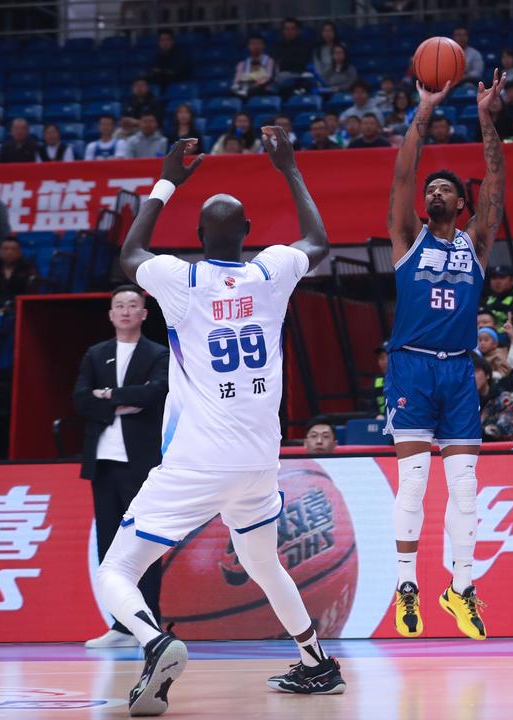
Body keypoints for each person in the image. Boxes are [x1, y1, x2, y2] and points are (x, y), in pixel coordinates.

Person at [103, 132, 342, 709]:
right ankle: (317, 663)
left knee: (116, 571)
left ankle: (156, 642)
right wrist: (289, 168)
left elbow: (129, 255)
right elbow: (318, 240)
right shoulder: (271, 274)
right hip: (259, 462)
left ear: (196, 237)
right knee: (263, 562)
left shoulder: (181, 281)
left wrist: (167, 180)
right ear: (249, 232)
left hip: (198, 461)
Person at [384, 70, 505, 642]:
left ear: (461, 203)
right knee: (413, 482)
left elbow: (497, 178)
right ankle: (406, 584)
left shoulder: (475, 242)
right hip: (411, 364)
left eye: (445, 189)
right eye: (430, 189)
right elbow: (403, 174)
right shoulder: (408, 236)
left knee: (465, 488)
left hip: (457, 368)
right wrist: (425, 110)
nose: (434, 192)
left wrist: (485, 118)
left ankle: (462, 587)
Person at [73, 285, 169, 649]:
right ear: (111, 314)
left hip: (142, 462)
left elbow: (155, 392)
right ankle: (122, 625)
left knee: (143, 543)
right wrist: (123, 402)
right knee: (109, 545)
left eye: (133, 305)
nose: (126, 311)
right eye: (119, 305)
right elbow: (81, 399)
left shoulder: (157, 353)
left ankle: (149, 622)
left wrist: (109, 395)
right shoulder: (96, 354)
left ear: (144, 313)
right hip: (103, 461)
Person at [0, 237, 35, 313]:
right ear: (0, 251)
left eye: (13, 249)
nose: (9, 252)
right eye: (5, 249)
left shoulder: (28, 269)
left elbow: (32, 295)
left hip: (21, 310)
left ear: (20, 252)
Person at [473, 352, 513, 441]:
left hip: (499, 447)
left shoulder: (505, 399)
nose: (472, 377)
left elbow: (504, 429)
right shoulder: (465, 401)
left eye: (475, 371)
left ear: (487, 375)